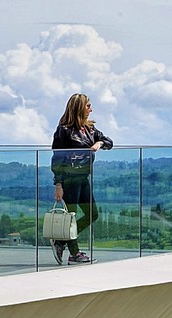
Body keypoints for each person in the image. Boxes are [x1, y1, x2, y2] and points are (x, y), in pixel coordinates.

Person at [50, 93, 113, 265]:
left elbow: (109, 141)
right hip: (69, 179)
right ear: (79, 107)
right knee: (71, 217)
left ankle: (61, 241)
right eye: (88, 106)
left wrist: (99, 144)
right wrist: (58, 183)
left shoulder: (90, 129)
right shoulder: (64, 130)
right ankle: (74, 254)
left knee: (92, 214)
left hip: (83, 178)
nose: (91, 109)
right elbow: (57, 158)